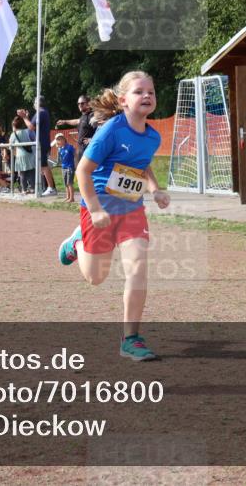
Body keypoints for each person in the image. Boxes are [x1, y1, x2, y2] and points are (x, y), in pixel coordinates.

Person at [57, 71, 171, 362]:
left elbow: (141, 165)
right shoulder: (111, 131)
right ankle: (77, 243)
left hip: (132, 209)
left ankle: (131, 339)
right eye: (139, 92)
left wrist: (155, 189)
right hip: (100, 208)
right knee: (96, 277)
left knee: (138, 269)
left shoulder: (153, 136)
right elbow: (82, 171)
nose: (147, 96)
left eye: (151, 92)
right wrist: (95, 210)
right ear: (123, 101)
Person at [19, 96, 57, 196]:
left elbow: (31, 127)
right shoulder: (43, 112)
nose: (34, 105)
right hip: (42, 142)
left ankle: (51, 188)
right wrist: (27, 118)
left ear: (37, 103)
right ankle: (48, 187)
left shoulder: (40, 112)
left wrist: (24, 117)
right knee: (42, 166)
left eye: (34, 102)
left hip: (41, 143)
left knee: (44, 166)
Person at [56, 95, 97, 165]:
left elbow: (101, 130)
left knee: (85, 170)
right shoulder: (83, 116)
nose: (80, 105)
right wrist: (65, 121)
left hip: (89, 150)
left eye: (82, 103)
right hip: (82, 150)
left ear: (88, 103)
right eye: (78, 104)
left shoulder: (92, 116)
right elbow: (77, 121)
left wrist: (92, 139)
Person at [10, 116, 36, 193]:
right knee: (31, 172)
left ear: (13, 126)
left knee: (22, 173)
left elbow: (10, 146)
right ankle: (33, 188)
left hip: (20, 155)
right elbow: (31, 140)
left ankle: (24, 189)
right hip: (30, 154)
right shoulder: (27, 131)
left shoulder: (13, 134)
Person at [54, 133, 77, 202]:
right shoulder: (60, 149)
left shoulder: (69, 147)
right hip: (63, 167)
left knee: (69, 183)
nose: (58, 141)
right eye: (57, 140)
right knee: (66, 184)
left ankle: (72, 198)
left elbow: (75, 155)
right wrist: (58, 150)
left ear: (64, 139)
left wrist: (76, 164)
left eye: (60, 139)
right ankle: (68, 197)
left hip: (70, 167)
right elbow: (59, 160)